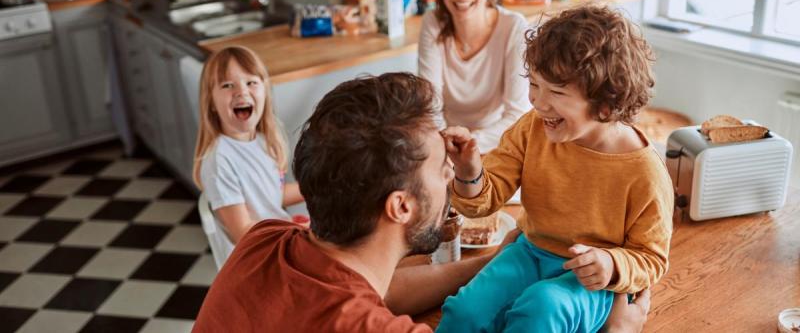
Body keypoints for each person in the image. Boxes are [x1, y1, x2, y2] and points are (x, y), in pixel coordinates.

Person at [193, 72, 652, 332]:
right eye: (440, 168)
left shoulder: (264, 241)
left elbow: (374, 289)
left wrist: (492, 262)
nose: (452, 172)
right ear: (401, 207)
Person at [439, 6, 674, 332]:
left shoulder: (645, 172)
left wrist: (610, 263)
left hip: (590, 282)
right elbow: (483, 200)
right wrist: (469, 170)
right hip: (529, 253)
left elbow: (651, 258)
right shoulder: (531, 129)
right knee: (465, 311)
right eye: (534, 84)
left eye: (557, 92)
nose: (538, 101)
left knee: (541, 308)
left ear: (606, 104)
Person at [418, 0, 531, 154]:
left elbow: (517, 114)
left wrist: (467, 143)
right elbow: (429, 107)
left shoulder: (513, 27)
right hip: (445, 146)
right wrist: (449, 147)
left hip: (498, 145)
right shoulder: (432, 23)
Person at [193, 46, 304, 261]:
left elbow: (272, 195)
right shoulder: (220, 160)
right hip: (256, 259)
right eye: (227, 85)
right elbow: (243, 232)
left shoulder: (263, 142)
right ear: (211, 103)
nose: (241, 92)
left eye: (251, 82)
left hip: (277, 244)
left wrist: (316, 187)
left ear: (265, 90)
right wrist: (293, 230)